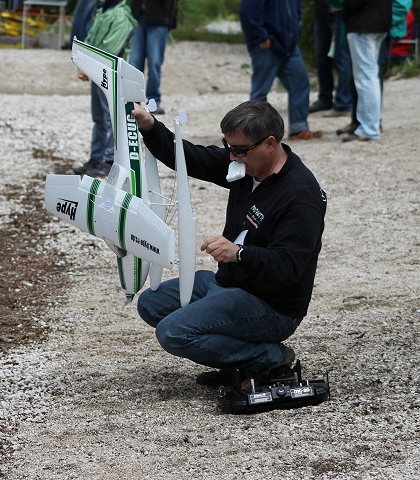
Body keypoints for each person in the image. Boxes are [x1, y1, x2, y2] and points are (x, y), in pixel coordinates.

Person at [131, 100, 327, 390]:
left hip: (272, 304)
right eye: (228, 146)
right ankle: (239, 363)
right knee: (151, 304)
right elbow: (191, 158)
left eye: (239, 149)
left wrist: (239, 254)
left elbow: (288, 268)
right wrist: (150, 126)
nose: (232, 155)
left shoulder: (299, 196)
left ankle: (267, 358)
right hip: (230, 283)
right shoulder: (246, 165)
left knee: (173, 332)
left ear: (269, 144)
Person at [240, 0, 323, 141]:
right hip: (266, 46)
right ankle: (255, 135)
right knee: (260, 92)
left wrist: (295, 33)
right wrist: (261, 37)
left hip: (290, 46)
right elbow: (247, 12)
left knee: (300, 82)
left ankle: (298, 129)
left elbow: (296, 11)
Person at [72, 0, 137, 177]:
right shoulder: (103, 12)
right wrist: (82, 63)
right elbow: (89, 39)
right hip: (96, 71)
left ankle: (108, 160)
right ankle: (96, 157)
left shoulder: (121, 16)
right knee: (99, 117)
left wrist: (88, 65)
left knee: (110, 118)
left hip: (111, 74)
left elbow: (110, 49)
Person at [339, 0, 392, 142]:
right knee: (370, 76)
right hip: (380, 22)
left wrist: (344, 11)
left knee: (365, 78)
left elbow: (352, 4)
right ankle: (367, 126)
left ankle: (369, 129)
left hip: (363, 24)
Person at [129, 0, 178, 115]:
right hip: (138, 15)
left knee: (154, 62)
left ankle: (153, 101)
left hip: (159, 18)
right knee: (134, 62)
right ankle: (133, 100)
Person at [309, 0, 353, 117]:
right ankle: (325, 98)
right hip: (321, 12)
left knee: (342, 59)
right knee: (321, 58)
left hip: (341, 13)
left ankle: (344, 102)